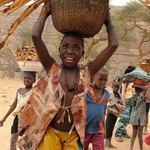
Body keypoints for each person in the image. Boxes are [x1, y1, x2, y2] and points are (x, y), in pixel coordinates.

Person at [17, 1, 119, 149]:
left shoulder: (87, 72)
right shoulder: (52, 67)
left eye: (76, 47)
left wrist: (108, 22)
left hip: (73, 135)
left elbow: (113, 45)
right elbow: (35, 36)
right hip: (50, 133)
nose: (70, 51)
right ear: (59, 50)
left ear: (83, 52)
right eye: (65, 46)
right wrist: (46, 12)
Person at [0, 71, 36, 150]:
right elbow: (14, 105)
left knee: (27, 141)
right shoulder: (19, 90)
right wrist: (4, 118)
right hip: (17, 118)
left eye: (30, 78)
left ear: (34, 80)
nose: (27, 80)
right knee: (13, 140)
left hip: (28, 119)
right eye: (25, 78)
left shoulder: (34, 91)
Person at [84, 67, 110, 150]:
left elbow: (103, 113)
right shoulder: (86, 91)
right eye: (100, 79)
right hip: (84, 129)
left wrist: (105, 129)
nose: (103, 82)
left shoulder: (106, 94)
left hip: (98, 130)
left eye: (105, 80)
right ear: (93, 77)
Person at [115, 66, 136, 142]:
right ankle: (118, 134)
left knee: (129, 118)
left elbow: (133, 91)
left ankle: (123, 131)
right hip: (126, 100)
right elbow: (122, 92)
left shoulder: (133, 81)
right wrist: (123, 102)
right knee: (124, 117)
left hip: (131, 101)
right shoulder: (125, 80)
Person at [105, 81, 125, 148]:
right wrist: (120, 105)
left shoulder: (118, 94)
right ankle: (106, 144)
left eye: (118, 87)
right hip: (111, 113)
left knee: (112, 128)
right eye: (115, 87)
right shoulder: (110, 94)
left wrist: (119, 104)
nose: (116, 88)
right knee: (108, 128)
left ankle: (109, 143)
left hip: (115, 114)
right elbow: (115, 104)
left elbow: (120, 103)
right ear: (112, 87)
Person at [129, 84, 147, 150]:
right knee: (140, 135)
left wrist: (136, 86)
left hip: (133, 117)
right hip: (139, 118)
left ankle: (131, 148)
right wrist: (137, 85)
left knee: (134, 134)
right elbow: (145, 88)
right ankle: (141, 149)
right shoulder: (141, 96)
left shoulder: (133, 97)